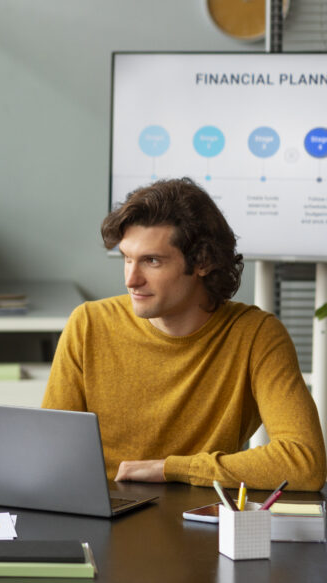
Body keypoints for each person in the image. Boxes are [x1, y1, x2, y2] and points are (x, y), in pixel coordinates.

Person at [43, 177, 326, 490]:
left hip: (198, 519)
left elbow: (305, 463)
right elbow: (50, 457)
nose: (131, 279)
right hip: (105, 515)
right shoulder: (88, 324)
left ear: (202, 261)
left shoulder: (256, 335)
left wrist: (171, 468)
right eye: (127, 258)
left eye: (151, 261)